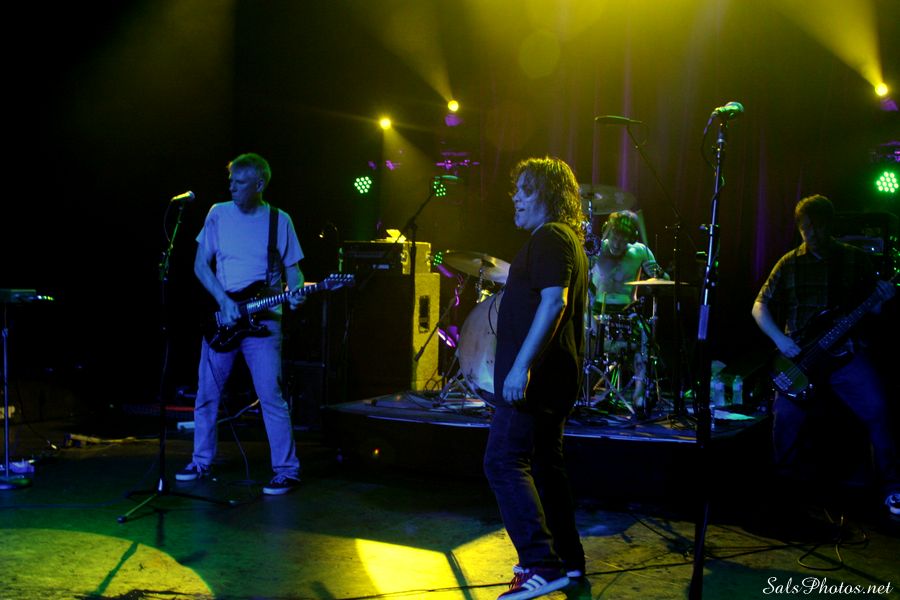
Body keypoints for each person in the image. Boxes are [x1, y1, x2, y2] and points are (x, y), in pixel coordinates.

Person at [752, 194, 898, 517]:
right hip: (800, 358)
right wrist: (780, 340)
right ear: (799, 227)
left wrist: (884, 298)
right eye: (806, 228)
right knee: (785, 419)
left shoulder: (854, 258)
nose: (813, 234)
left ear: (830, 225)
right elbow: (759, 306)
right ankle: (785, 490)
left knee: (878, 407)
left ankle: (892, 488)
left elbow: (872, 308)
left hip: (845, 354)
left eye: (818, 227)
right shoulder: (788, 263)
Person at [483, 157, 588, 599]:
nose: (516, 197)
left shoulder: (549, 237)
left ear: (547, 194)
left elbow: (553, 302)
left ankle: (540, 563)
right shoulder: (564, 240)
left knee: (503, 461)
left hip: (537, 378)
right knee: (546, 466)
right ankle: (569, 562)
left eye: (525, 190)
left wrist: (520, 366)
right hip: (554, 377)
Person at [176, 153, 305, 495]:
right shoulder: (217, 214)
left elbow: (294, 271)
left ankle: (287, 470)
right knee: (206, 394)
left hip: (265, 322)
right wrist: (223, 301)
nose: (231, 187)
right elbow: (200, 265)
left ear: (259, 184)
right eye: (230, 180)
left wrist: (295, 293)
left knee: (271, 396)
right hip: (224, 319)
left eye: (240, 182)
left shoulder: (279, 220)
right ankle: (201, 461)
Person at [589, 210, 666, 416]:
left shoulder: (640, 251)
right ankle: (584, 389)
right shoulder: (595, 249)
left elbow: (664, 279)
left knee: (645, 337)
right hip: (598, 311)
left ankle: (639, 395)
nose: (617, 244)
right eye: (614, 238)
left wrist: (657, 272)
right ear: (608, 232)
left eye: (623, 241)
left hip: (628, 312)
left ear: (631, 238)